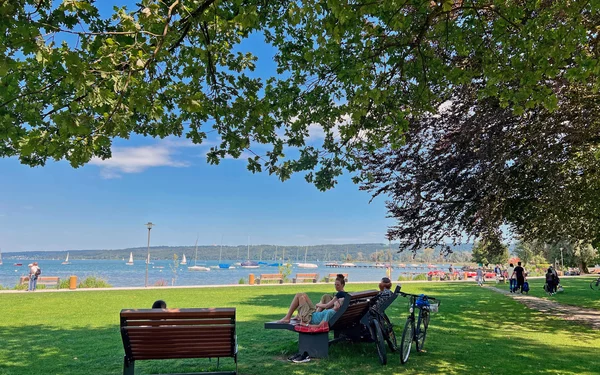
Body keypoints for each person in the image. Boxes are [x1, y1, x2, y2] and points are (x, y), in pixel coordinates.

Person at [278, 274, 346, 327]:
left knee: (299, 296)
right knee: (303, 295)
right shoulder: (336, 308)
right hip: (313, 314)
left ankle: (288, 317)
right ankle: (297, 315)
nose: (336, 286)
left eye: (338, 285)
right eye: (335, 285)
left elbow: (320, 325)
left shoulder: (331, 311)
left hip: (309, 318)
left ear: (343, 285)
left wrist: (305, 324)